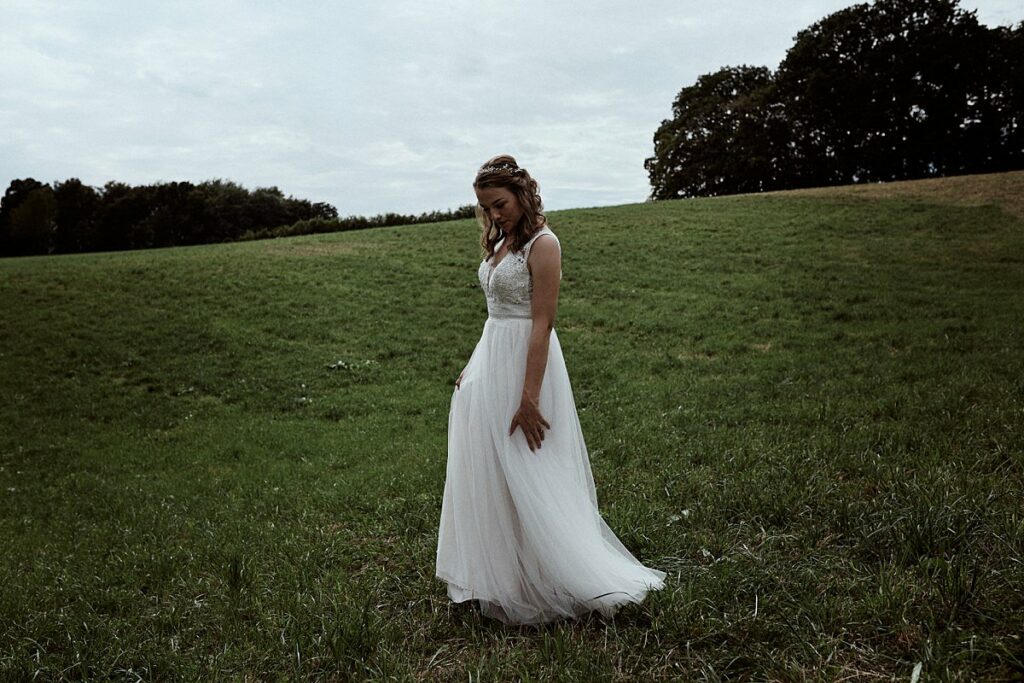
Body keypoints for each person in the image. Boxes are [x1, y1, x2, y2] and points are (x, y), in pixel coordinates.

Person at [435, 154, 666, 625]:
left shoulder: (544, 244)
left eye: (499, 204)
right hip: (492, 358)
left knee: (530, 466)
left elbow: (541, 324)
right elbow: (494, 314)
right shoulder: (499, 241)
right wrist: (472, 366)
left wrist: (529, 397)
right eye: (485, 208)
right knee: (492, 466)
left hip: (528, 362)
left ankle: (553, 574)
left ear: (521, 195)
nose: (493, 215)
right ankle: (502, 575)